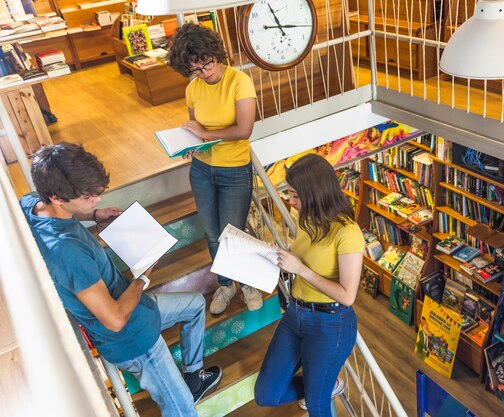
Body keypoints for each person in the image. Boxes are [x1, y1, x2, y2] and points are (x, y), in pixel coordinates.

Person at [20, 143, 222, 417]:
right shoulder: (67, 252)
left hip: (139, 310)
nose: (97, 200)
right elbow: (114, 319)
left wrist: (92, 215)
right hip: (134, 339)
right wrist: (142, 278)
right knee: (185, 412)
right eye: (89, 198)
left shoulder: (31, 204)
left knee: (196, 304)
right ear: (57, 198)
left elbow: (62, 207)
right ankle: (186, 396)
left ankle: (193, 378)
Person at [254, 154, 365, 417]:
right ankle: (325, 385)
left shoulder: (347, 233)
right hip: (296, 315)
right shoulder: (307, 219)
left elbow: (348, 296)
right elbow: (302, 259)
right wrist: (281, 256)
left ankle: (322, 388)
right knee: (266, 394)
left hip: (331, 324)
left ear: (314, 193)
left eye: (295, 195)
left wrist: (300, 269)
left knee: (317, 406)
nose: (291, 201)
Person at [168, 23, 263, 315]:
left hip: (234, 170)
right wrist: (190, 145)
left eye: (207, 63)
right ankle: (226, 284)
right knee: (211, 234)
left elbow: (243, 129)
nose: (204, 72)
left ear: (215, 54)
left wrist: (204, 135)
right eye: (195, 69)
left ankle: (248, 284)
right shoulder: (192, 89)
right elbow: (195, 130)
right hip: (201, 170)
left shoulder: (239, 81)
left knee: (232, 232)